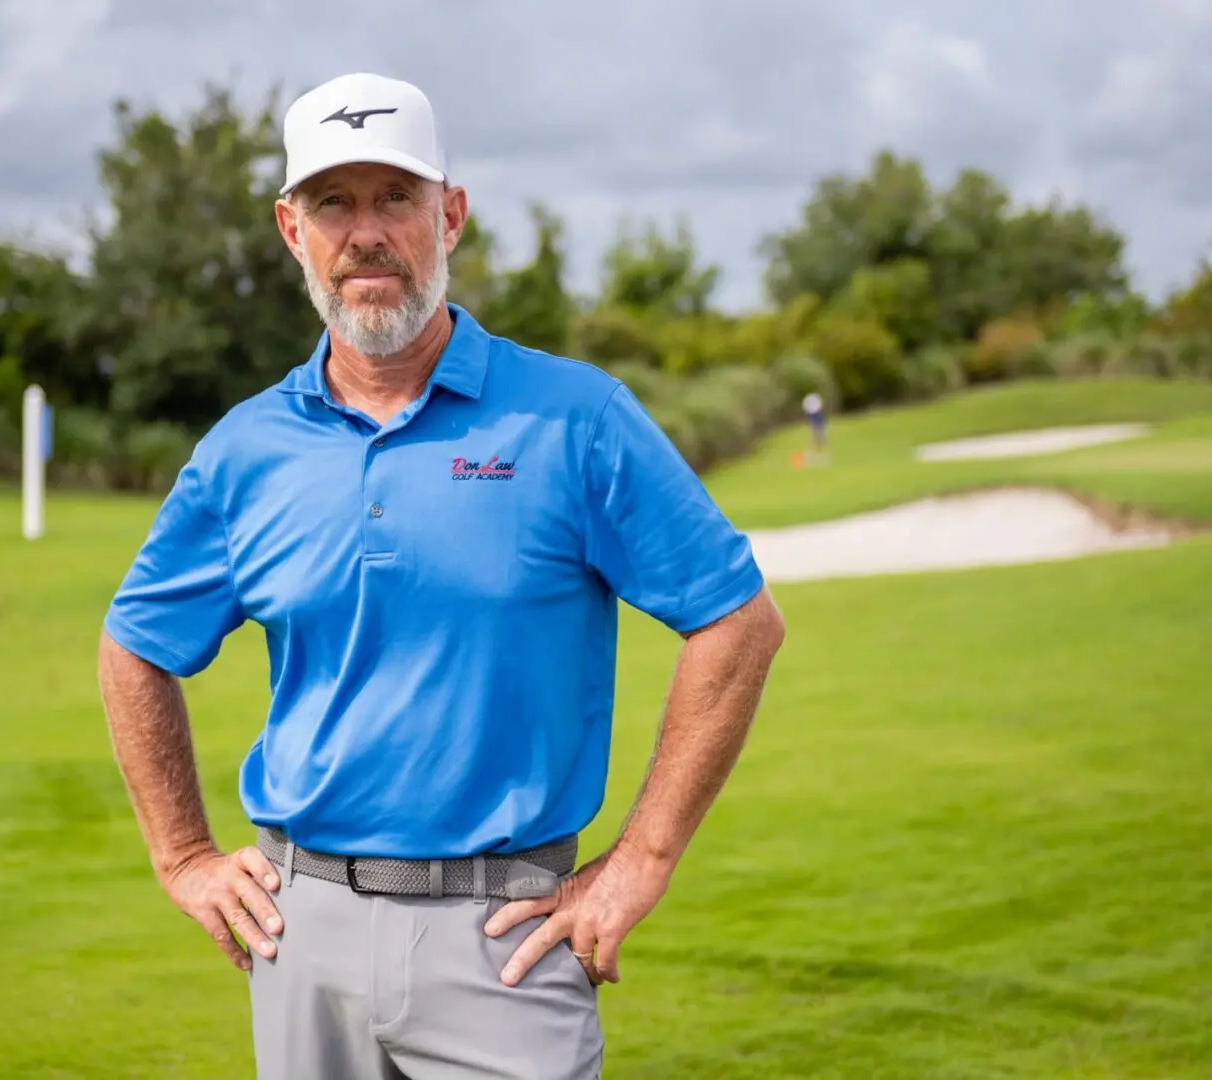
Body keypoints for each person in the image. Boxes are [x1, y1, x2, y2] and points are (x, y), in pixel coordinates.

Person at [96, 71, 787, 1080]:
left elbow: (738, 621)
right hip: (299, 935)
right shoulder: (245, 450)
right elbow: (134, 647)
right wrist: (185, 857)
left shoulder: (575, 418)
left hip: (502, 941)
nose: (365, 233)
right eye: (335, 202)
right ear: (292, 229)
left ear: (449, 215)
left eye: (396, 199)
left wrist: (640, 860)